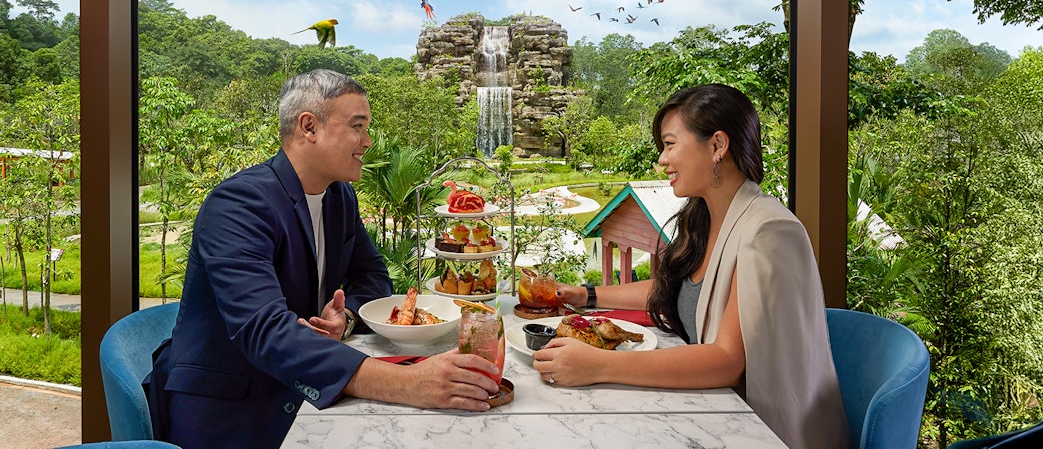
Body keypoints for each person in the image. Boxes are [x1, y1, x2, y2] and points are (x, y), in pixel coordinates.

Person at [146, 69, 499, 448]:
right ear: (309, 127)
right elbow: (264, 330)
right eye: (357, 126)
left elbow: (372, 275)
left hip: (305, 390)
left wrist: (346, 319)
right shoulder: (239, 205)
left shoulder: (338, 197)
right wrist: (408, 383)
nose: (367, 141)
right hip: (231, 412)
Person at [535, 84, 849, 449]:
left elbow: (727, 361)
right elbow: (675, 290)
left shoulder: (770, 231)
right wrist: (585, 295)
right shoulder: (706, 217)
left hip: (769, 431)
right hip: (716, 413)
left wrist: (597, 366)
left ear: (718, 145)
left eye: (670, 144)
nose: (662, 160)